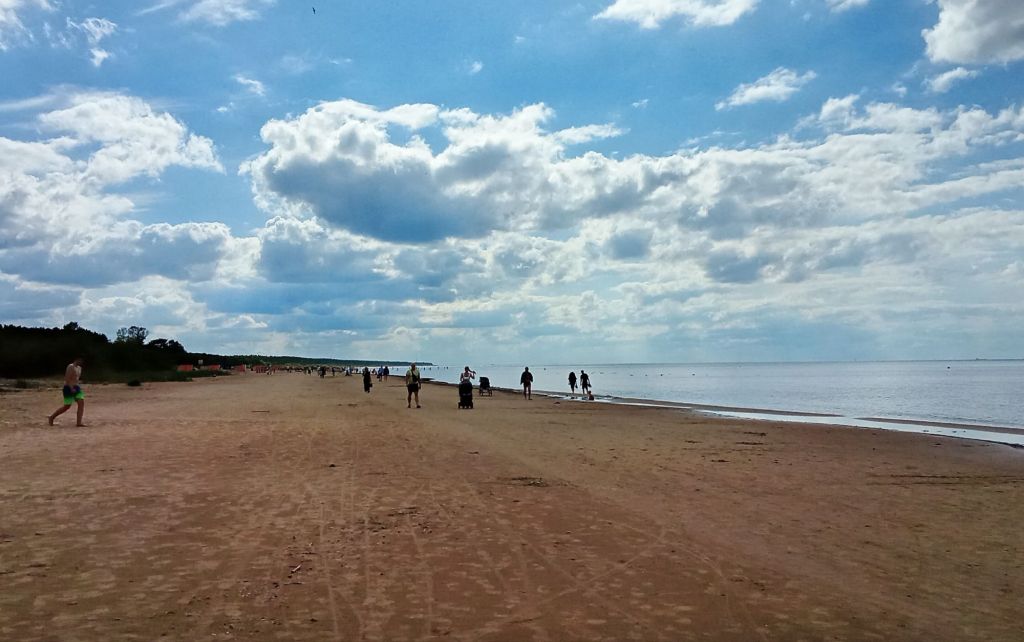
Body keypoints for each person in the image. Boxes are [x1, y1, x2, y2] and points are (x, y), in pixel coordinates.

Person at [48, 357, 86, 427]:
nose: (81, 362)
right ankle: (52, 417)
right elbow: (67, 378)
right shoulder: (70, 367)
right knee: (67, 406)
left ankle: (79, 422)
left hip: (76, 387)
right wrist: (71, 388)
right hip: (68, 387)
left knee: (81, 402)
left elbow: (76, 378)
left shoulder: (79, 368)